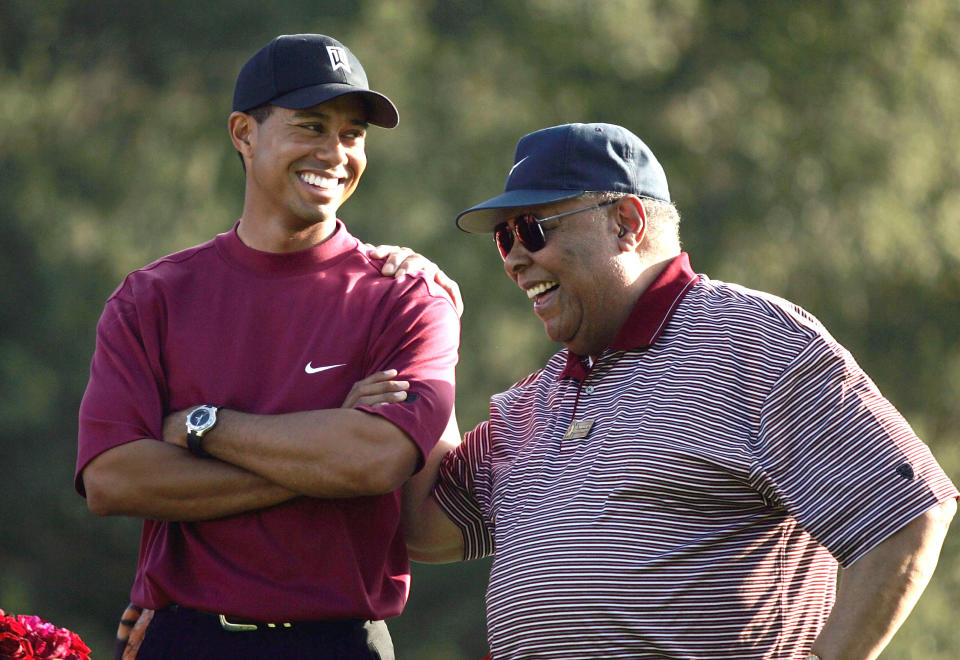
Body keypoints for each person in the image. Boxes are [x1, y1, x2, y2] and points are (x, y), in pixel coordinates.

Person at [400, 122, 959, 659]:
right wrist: (423, 334)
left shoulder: (756, 342)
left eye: (532, 230)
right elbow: (423, 528)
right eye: (504, 239)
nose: (516, 258)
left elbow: (910, 514)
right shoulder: (536, 397)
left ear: (626, 222)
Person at [75, 33, 460, 660]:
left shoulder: (408, 294)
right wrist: (324, 446)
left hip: (343, 644)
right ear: (243, 134)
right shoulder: (152, 297)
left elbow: (373, 463)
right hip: (183, 638)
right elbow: (114, 480)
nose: (336, 153)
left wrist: (201, 428)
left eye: (353, 134)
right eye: (311, 126)